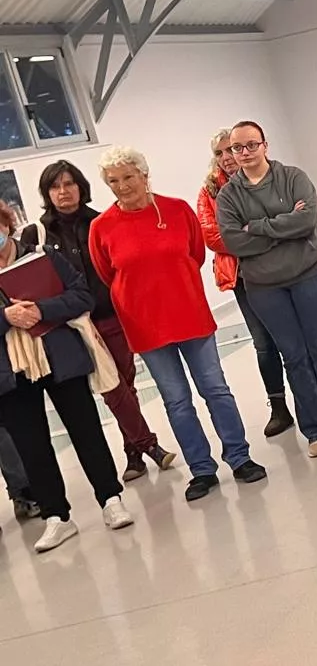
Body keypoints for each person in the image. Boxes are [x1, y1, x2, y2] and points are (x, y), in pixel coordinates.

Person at [88, 146, 267, 502]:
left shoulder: (177, 210)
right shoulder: (101, 227)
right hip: (146, 328)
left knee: (216, 390)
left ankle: (240, 457)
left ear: (144, 174)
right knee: (177, 401)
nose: (122, 186)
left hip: (191, 317)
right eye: (113, 181)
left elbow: (196, 254)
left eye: (127, 177)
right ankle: (201, 469)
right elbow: (107, 274)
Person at [19, 161, 178, 480]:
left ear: (81, 187)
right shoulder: (34, 234)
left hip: (113, 315)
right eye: (54, 186)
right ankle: (149, 445)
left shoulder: (103, 222)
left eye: (69, 184)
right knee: (112, 387)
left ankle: (133, 454)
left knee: (126, 384)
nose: (62, 192)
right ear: (47, 193)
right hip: (73, 325)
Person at [215, 121, 317, 458]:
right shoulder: (228, 196)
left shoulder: (293, 177)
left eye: (251, 145)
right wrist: (283, 224)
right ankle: (316, 430)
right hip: (265, 289)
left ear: (265, 145)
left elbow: (306, 221)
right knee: (294, 357)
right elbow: (234, 240)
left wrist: (258, 228)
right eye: (237, 148)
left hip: (310, 275)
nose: (245, 153)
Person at [0, 200, 135, 553]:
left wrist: (41, 309)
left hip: (59, 356)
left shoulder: (42, 256)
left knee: (86, 429)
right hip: (11, 372)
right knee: (31, 445)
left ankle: (110, 499)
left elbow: (81, 296)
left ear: (5, 224)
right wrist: (7, 317)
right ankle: (56, 517)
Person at [193, 132, 295, 438]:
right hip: (241, 275)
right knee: (263, 343)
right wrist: (257, 237)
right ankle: (278, 407)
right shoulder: (208, 191)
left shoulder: (267, 178)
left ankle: (310, 395)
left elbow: (282, 218)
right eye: (220, 152)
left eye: (231, 149)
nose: (227, 156)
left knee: (291, 337)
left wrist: (252, 232)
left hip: (280, 268)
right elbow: (212, 235)